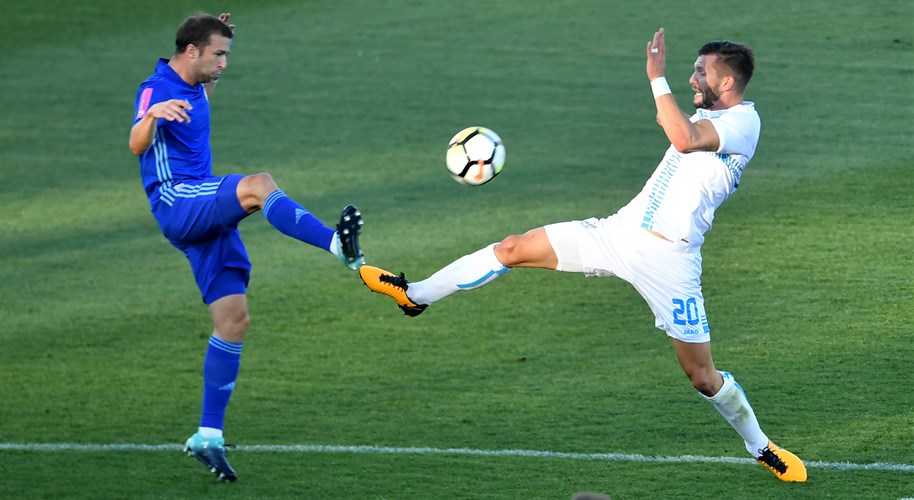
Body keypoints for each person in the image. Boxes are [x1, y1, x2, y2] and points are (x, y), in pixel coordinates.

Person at [360, 28, 807, 482]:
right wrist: (670, 102)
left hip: (671, 263)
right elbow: (680, 128)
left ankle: (761, 446)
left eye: (701, 72)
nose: (692, 78)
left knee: (702, 376)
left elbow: (684, 138)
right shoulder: (711, 116)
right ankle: (415, 294)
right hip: (618, 232)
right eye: (691, 69)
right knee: (513, 248)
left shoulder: (744, 124)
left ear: (728, 82)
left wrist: (656, 77)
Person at [129, 13, 364, 482]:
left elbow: (204, 87)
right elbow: (136, 143)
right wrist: (152, 117)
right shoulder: (156, 87)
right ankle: (338, 246)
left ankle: (208, 436)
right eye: (217, 54)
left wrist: (215, 28)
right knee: (258, 186)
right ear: (191, 51)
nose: (224, 63)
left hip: (201, 207)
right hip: (179, 201)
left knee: (233, 322)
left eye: (226, 56)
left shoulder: (197, 83)